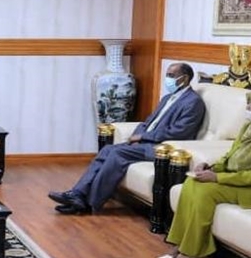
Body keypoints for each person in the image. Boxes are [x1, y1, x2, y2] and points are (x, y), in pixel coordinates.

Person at [158, 87, 251, 258]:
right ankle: (180, 244)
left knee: (205, 192)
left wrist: (217, 178)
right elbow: (231, 155)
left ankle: (191, 250)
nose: (250, 109)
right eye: (249, 104)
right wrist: (211, 167)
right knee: (191, 182)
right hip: (240, 181)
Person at [49, 62, 206, 214]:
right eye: (167, 75)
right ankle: (77, 194)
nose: (168, 79)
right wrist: (136, 137)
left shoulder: (193, 102)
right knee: (107, 150)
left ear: (184, 78)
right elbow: (148, 122)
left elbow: (179, 132)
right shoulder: (167, 98)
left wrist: (143, 137)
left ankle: (89, 203)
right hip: (147, 142)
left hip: (163, 149)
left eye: (171, 75)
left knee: (118, 153)